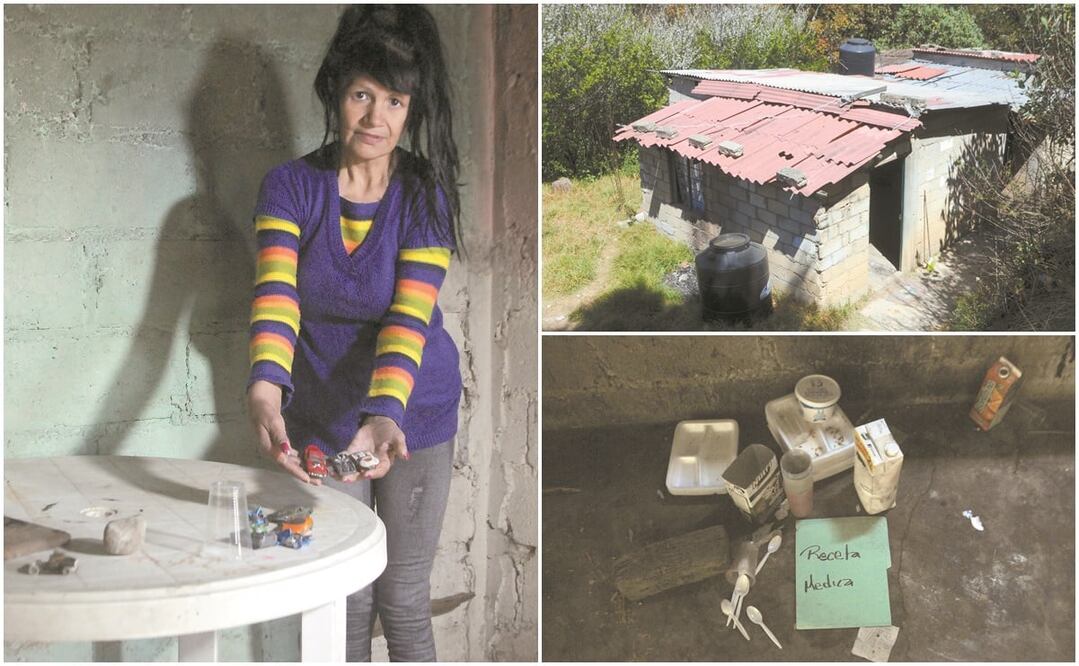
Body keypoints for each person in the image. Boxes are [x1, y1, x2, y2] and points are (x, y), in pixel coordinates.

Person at [245, 5, 462, 661]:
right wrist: (263, 391)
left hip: (412, 414)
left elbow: (409, 315)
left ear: (412, 107)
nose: (375, 118)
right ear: (336, 93)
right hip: (321, 416)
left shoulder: (424, 193)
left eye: (394, 100)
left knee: (400, 601)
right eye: (362, 93)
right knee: (344, 601)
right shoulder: (288, 187)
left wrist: (384, 412)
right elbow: (277, 295)